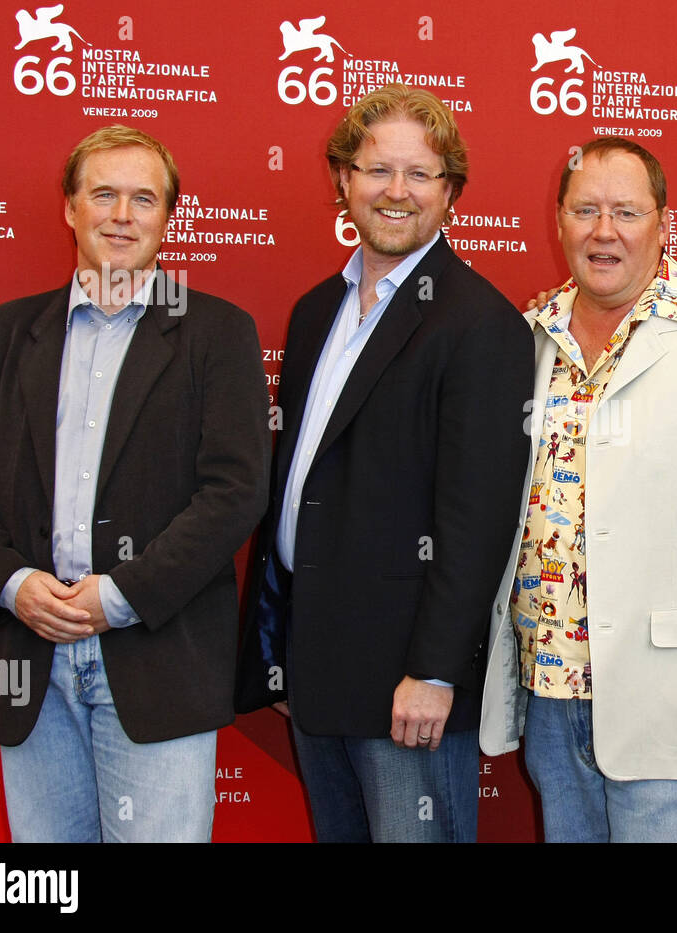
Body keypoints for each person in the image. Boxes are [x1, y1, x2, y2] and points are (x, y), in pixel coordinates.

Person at [0, 125, 271, 842]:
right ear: (70, 207)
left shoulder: (217, 333)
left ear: (169, 216)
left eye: (143, 198)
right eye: (104, 194)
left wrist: (120, 597)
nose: (122, 215)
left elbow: (235, 490)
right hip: (31, 659)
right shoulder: (5, 332)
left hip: (159, 657)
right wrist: (13, 583)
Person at [479, 137, 677, 843]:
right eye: (585, 210)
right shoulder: (529, 340)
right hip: (553, 694)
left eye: (626, 212)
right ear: (558, 220)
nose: (604, 231)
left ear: (663, 223)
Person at [235, 84, 533, 843]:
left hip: (408, 683)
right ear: (343, 179)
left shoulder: (480, 324)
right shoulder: (314, 313)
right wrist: (278, 651)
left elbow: (478, 519)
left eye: (419, 174)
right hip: (316, 666)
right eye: (376, 170)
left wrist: (434, 672)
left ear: (451, 192)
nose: (395, 192)